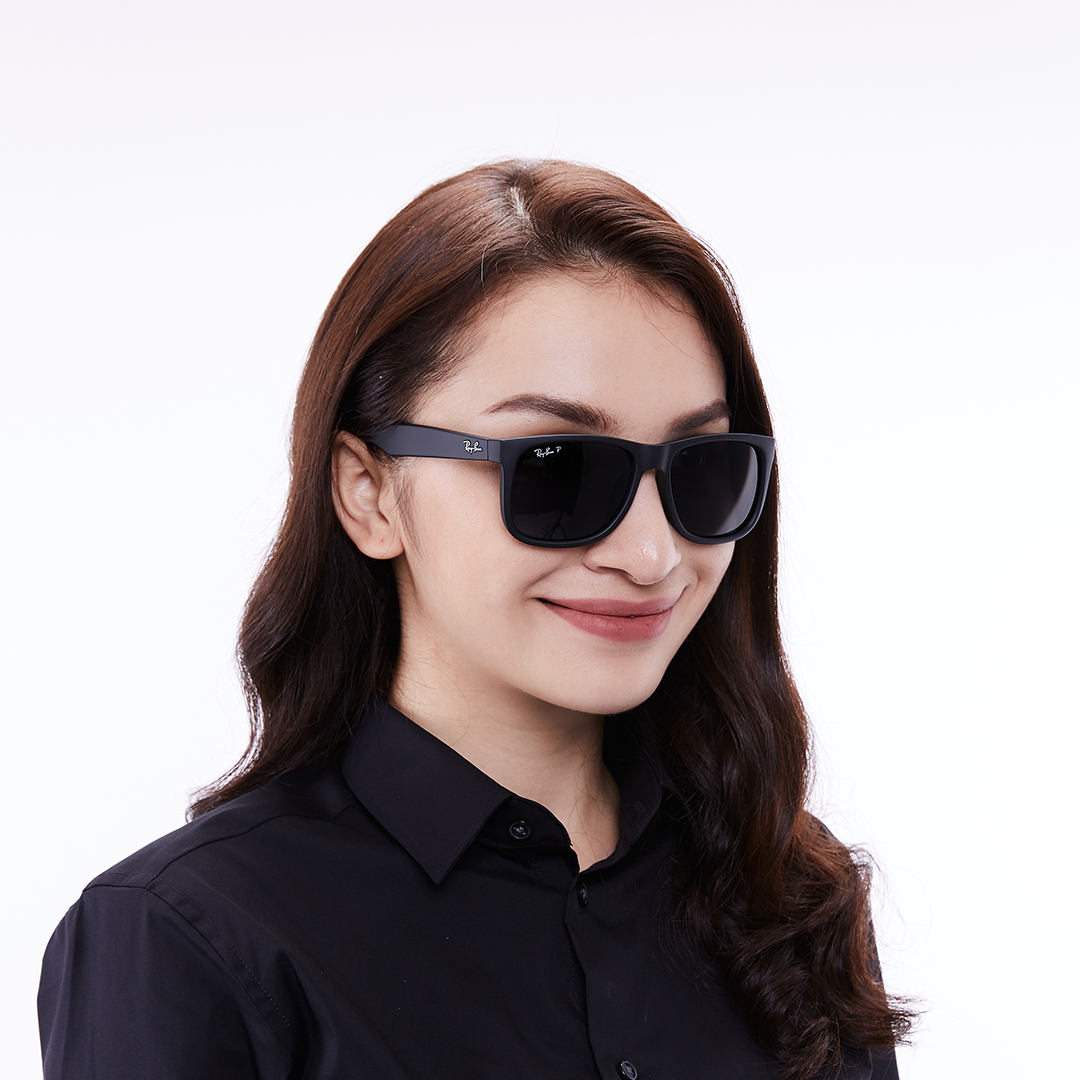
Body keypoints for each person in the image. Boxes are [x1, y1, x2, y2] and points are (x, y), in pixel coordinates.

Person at [38, 160, 912, 1079]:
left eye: (702, 469)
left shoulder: (789, 897)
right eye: (558, 470)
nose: (652, 554)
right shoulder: (185, 938)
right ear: (368, 491)